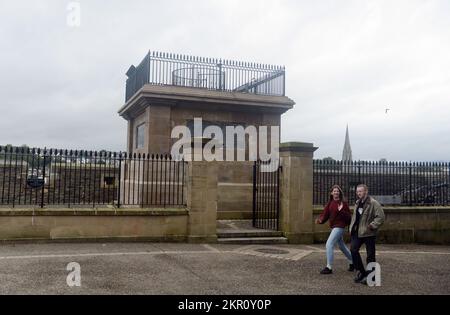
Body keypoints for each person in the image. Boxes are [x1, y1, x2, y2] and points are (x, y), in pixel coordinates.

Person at [350, 184, 385, 284]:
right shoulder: (358, 203)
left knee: (370, 255)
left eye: (360, 191)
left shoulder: (373, 203)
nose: (358, 193)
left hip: (369, 233)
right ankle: (361, 272)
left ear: (366, 191)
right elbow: (355, 217)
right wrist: (351, 228)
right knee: (353, 250)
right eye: (357, 191)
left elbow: (381, 217)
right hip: (358, 232)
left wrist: (372, 226)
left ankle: (372, 278)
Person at [315, 185, 353, 274]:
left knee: (329, 244)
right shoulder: (330, 203)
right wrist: (320, 220)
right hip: (334, 226)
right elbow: (325, 214)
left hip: (340, 227)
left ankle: (329, 267)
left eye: (337, 191)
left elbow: (349, 218)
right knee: (341, 246)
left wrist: (341, 211)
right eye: (334, 191)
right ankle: (353, 262)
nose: (336, 192)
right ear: (331, 193)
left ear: (339, 193)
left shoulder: (343, 203)